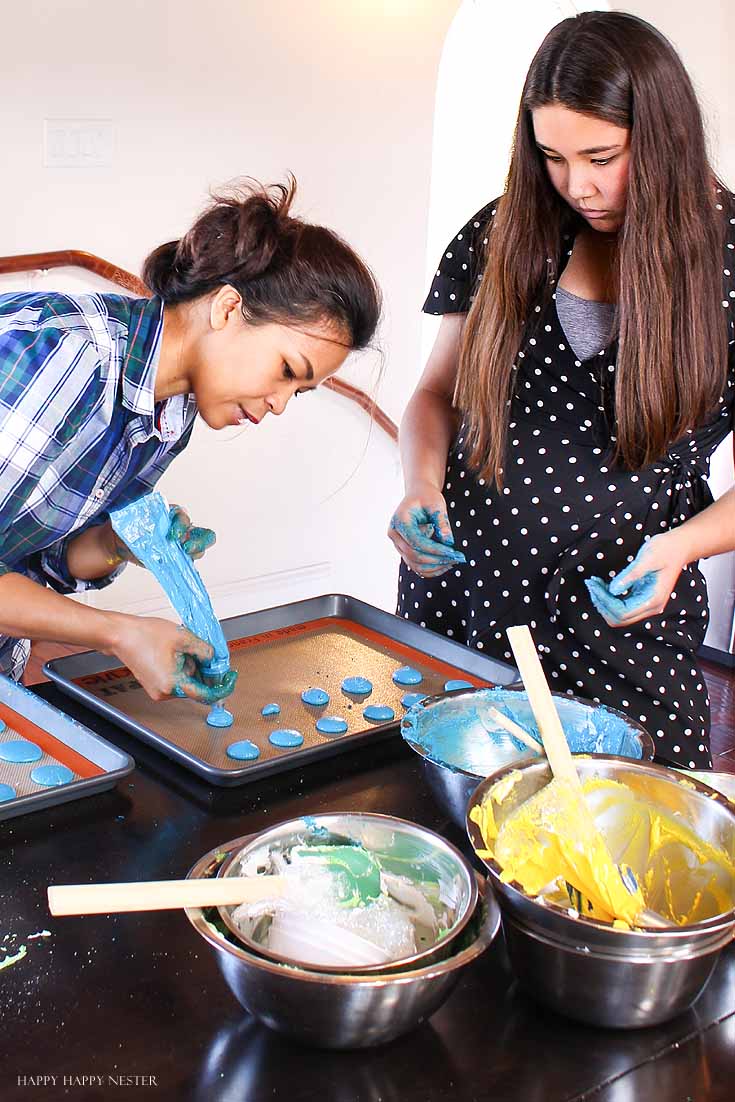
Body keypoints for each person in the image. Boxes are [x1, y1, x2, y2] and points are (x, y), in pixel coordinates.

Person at [389, 12, 735, 769]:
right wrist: (418, 485)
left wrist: (681, 547)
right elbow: (433, 397)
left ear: (665, 134)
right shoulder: (500, 234)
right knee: (454, 829)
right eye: (552, 157)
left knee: (626, 847)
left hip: (624, 619)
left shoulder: (728, 262)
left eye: (602, 155)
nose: (578, 185)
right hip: (465, 599)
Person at [0, 179, 381, 702]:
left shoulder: (170, 416)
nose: (279, 403)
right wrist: (117, 632)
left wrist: (119, 545)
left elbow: (33, 560)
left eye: (301, 391)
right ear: (227, 309)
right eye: (288, 370)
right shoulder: (70, 357)